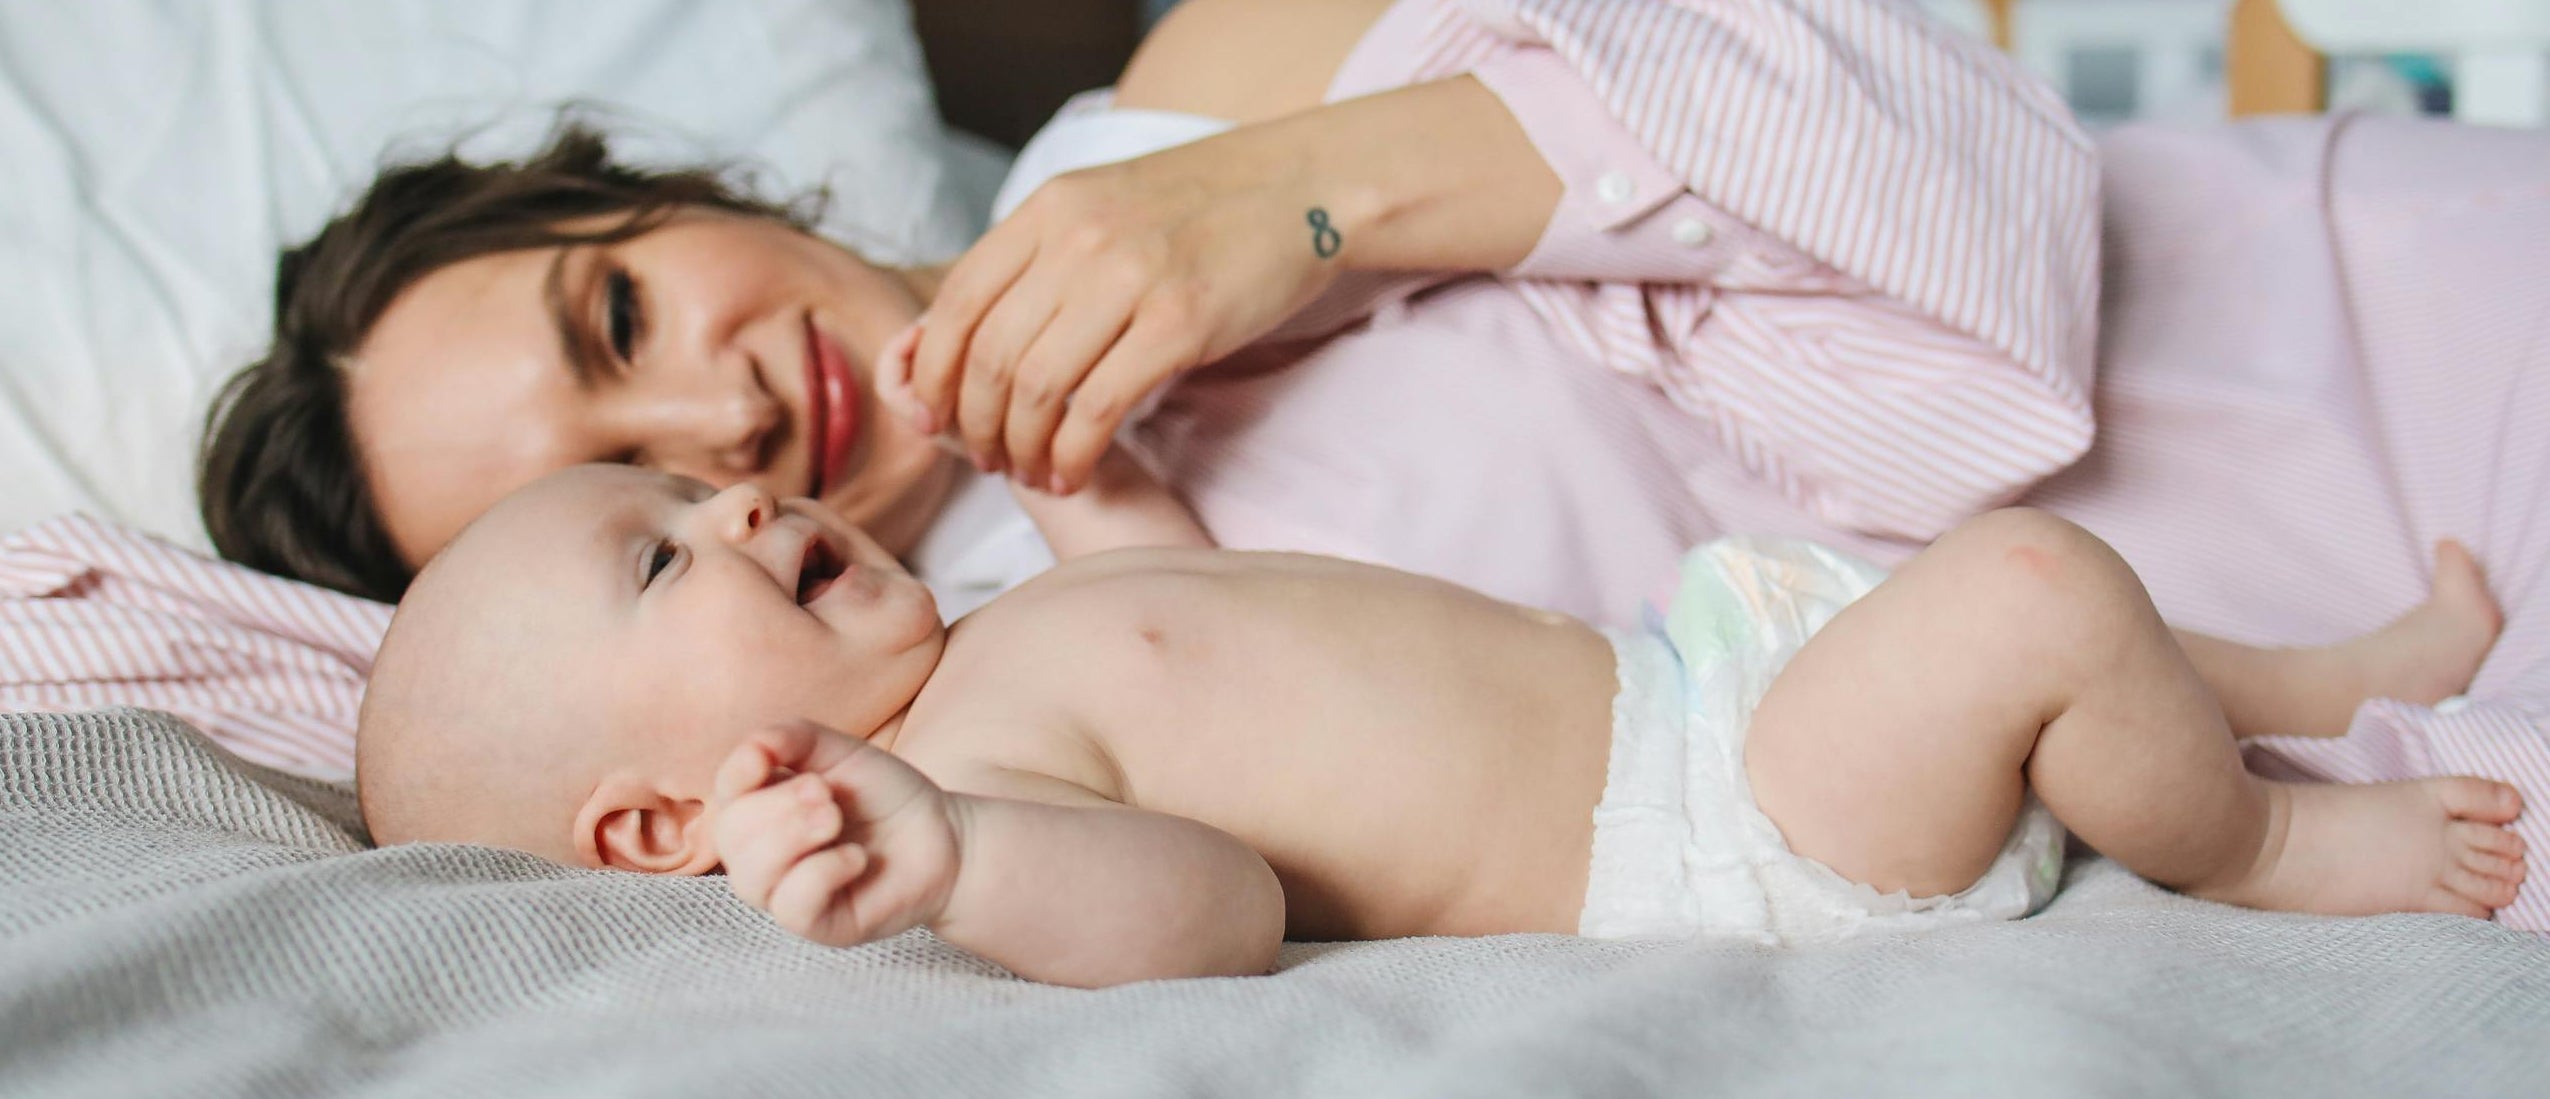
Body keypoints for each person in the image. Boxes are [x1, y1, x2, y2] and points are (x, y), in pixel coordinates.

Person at [205, 0, 2550, 920]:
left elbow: (1992, 202)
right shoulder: (984, 707)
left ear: (682, 193)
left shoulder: (1187, 104)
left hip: (2349, 337)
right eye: (626, 512)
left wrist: (1296, 194)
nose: (725, 436)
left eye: (621, 317)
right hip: (1991, 730)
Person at [356, 464, 2524, 988]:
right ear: (651, 832)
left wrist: (1097, 470)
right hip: (1724, 835)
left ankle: (2329, 680)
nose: (732, 496)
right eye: (661, 560)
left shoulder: (1011, 615)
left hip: (1701, 671)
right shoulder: (969, 777)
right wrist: (948, 857)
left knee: (1965, 573)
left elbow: (1202, 608)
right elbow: (1211, 906)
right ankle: (2259, 841)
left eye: (683, 483)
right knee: (2030, 594)